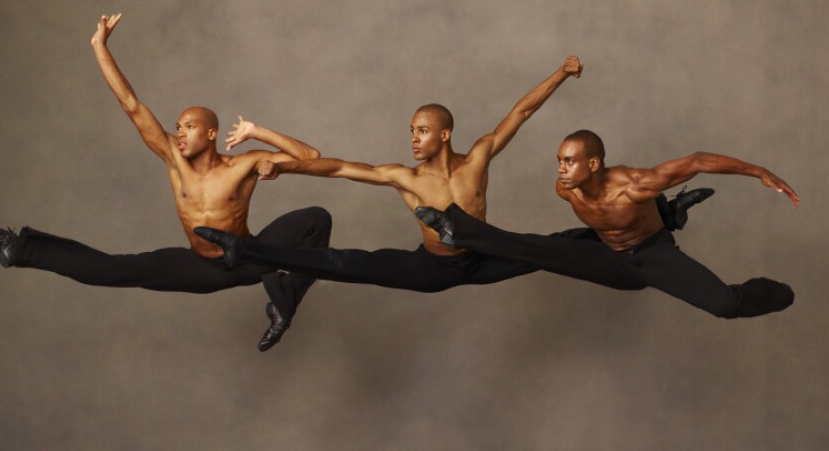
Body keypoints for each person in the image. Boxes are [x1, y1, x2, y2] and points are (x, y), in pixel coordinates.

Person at [195, 57, 711, 301]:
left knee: (562, 247)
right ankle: (251, 252)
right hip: (433, 269)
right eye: (411, 131)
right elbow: (338, 167)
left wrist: (560, 73)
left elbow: (520, 115)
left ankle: (666, 215)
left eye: (421, 131)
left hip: (483, 259)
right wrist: (278, 158)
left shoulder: (478, 158)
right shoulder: (404, 177)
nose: (413, 139)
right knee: (345, 264)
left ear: (445, 134)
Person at [0, 14, 332, 351]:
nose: (179, 133)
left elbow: (312, 158)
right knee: (116, 269)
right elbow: (131, 104)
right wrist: (100, 47)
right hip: (202, 266)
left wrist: (259, 133)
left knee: (317, 218)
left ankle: (284, 300)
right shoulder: (173, 160)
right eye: (177, 127)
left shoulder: (244, 164)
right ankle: (20, 249)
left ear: (211, 133)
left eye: (188, 126)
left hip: (250, 256)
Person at [416, 129, 797, 318]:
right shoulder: (566, 190)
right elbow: (595, 228)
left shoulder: (634, 185)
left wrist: (758, 171)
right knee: (541, 248)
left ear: (593, 164)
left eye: (570, 162)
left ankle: (778, 291)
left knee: (725, 304)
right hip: (609, 260)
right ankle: (456, 227)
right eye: (559, 161)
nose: (561, 170)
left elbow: (697, 161)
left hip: (652, 257)